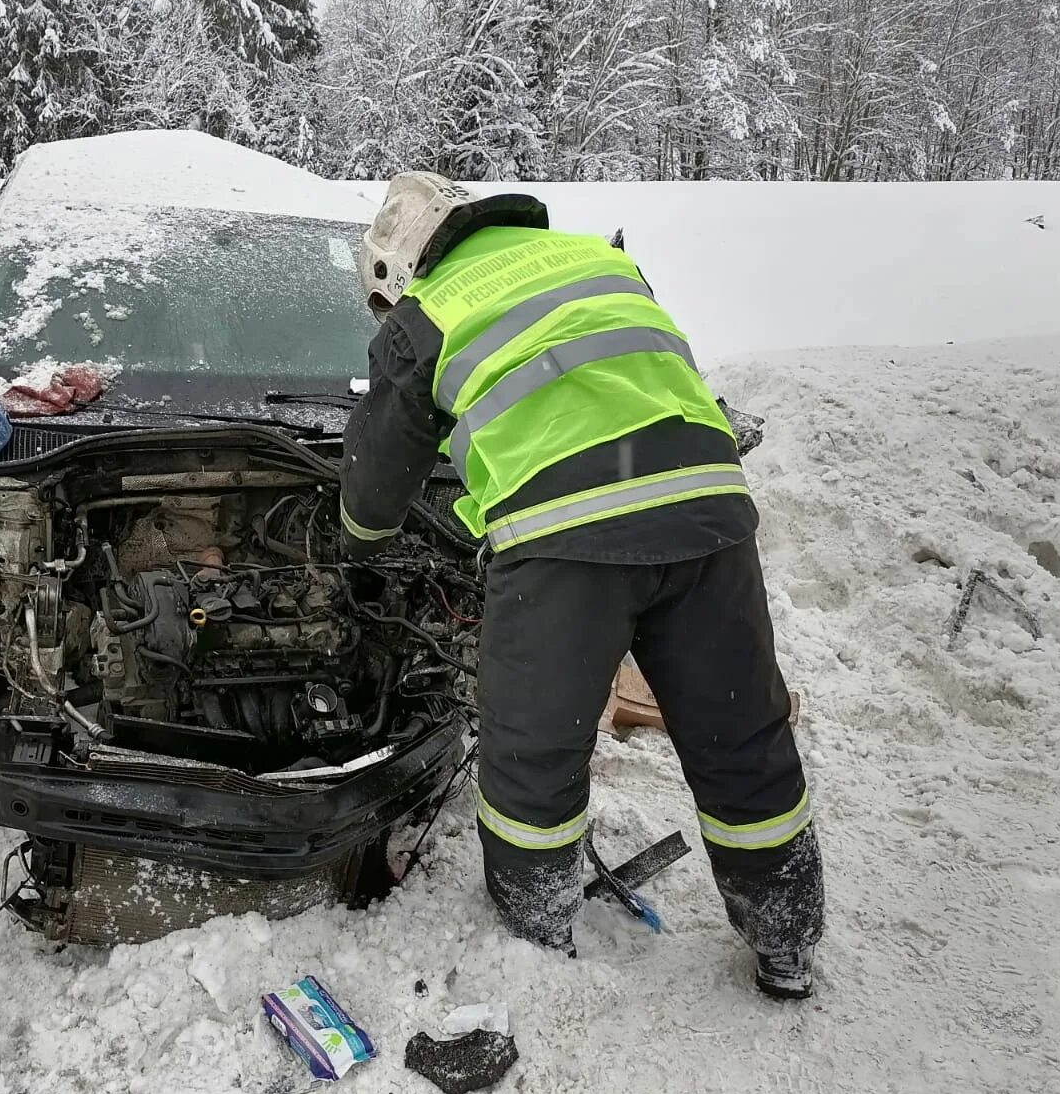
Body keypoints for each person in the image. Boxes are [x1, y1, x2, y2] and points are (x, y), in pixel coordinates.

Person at [338, 173, 825, 999]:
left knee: (537, 751)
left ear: (398, 268)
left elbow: (376, 486)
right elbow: (612, 384)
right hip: (707, 509)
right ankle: (787, 945)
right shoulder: (595, 260)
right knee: (741, 735)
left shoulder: (428, 312)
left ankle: (539, 930)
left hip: (570, 540)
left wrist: (358, 549)